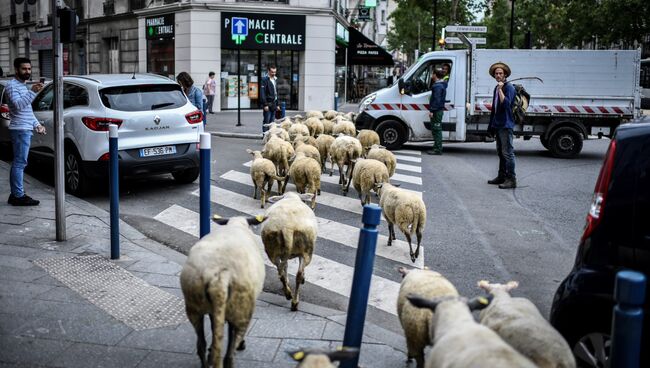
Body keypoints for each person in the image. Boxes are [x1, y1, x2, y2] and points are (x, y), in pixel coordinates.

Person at [5, 57, 46, 206]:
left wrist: (37, 125)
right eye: (24, 69)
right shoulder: (11, 86)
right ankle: (18, 196)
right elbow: (18, 106)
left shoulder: (23, 86)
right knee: (20, 163)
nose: (27, 72)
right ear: (16, 70)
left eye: (29, 69)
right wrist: (33, 92)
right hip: (20, 129)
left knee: (20, 162)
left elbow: (27, 111)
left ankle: (15, 194)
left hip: (25, 128)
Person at [487, 62, 517, 189]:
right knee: (500, 152)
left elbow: (506, 105)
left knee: (507, 152)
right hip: (498, 124)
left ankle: (511, 179)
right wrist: (491, 125)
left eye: (500, 73)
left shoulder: (509, 88)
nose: (498, 75)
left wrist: (500, 90)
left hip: (506, 124)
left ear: (505, 75)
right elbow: (495, 109)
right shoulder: (496, 88)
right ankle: (501, 176)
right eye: (496, 73)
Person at [426, 69, 447, 155]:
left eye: (432, 74)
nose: (431, 76)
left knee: (437, 129)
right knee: (436, 129)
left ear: (435, 75)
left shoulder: (437, 86)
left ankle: (437, 149)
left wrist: (432, 110)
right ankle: (436, 147)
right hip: (438, 110)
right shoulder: (442, 85)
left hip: (436, 111)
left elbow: (436, 100)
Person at [260, 65, 280, 133]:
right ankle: (265, 137)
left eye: (275, 72)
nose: (273, 73)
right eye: (272, 72)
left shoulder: (275, 79)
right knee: (266, 121)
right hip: (268, 104)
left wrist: (277, 104)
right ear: (268, 71)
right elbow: (262, 93)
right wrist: (265, 104)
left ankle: (270, 136)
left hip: (274, 104)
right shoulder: (264, 79)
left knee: (272, 122)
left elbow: (276, 93)